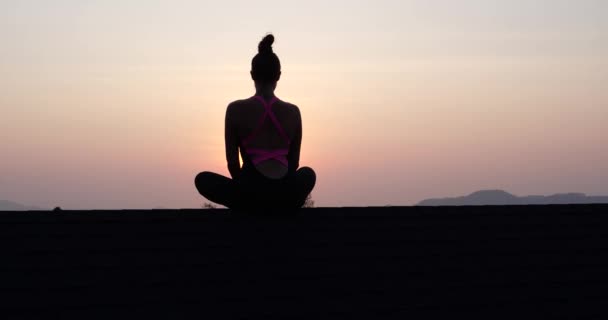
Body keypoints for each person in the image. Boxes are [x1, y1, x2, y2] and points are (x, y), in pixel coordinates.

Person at [195, 34, 316, 210]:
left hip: (250, 193)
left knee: (202, 180)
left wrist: (244, 189)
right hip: (284, 194)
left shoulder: (235, 109)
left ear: (252, 75)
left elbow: (233, 164)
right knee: (308, 174)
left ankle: (250, 205)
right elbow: (294, 163)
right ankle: (279, 206)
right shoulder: (293, 112)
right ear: (279, 75)